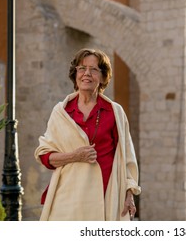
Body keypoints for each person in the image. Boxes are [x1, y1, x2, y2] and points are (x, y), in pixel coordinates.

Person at [34, 48, 141, 221]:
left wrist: (130, 193)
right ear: (75, 74)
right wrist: (75, 156)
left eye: (94, 69)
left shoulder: (115, 112)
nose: (87, 74)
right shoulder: (61, 112)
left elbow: (128, 158)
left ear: (103, 76)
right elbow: (45, 156)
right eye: (82, 68)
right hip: (68, 198)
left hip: (107, 198)